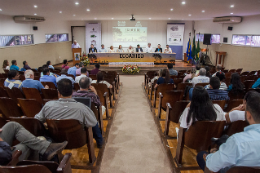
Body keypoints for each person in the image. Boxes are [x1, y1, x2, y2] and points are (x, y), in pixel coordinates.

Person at [197, 91, 260, 173]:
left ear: (248, 115)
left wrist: (213, 154)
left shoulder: (237, 141)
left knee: (201, 155)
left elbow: (211, 166)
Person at [34, 79, 103, 148]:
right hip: (78, 141)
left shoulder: (48, 106)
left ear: (58, 93)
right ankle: (100, 142)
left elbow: (36, 120)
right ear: (72, 92)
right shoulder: (82, 108)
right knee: (92, 121)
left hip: (55, 140)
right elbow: (93, 123)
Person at [0, 121, 68, 165]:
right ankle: (45, 150)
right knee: (29, 144)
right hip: (3, 158)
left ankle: (46, 148)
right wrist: (1, 142)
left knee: (12, 125)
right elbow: (5, 155)